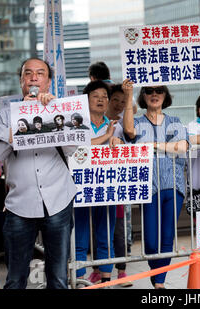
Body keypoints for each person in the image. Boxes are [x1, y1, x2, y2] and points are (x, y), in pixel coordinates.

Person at [0, 57, 76, 289]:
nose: (34, 78)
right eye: (28, 74)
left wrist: (54, 112)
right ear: (21, 81)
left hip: (58, 200)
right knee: (15, 278)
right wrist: (20, 120)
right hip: (20, 205)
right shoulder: (6, 115)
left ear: (48, 82)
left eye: (40, 74)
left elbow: (72, 147)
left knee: (58, 277)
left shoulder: (59, 108)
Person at [123, 84, 189, 289]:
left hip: (173, 184)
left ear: (165, 95)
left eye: (159, 91)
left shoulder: (175, 122)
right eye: (149, 91)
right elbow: (128, 131)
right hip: (147, 185)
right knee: (151, 241)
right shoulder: (137, 122)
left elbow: (182, 147)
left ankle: (160, 281)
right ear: (143, 96)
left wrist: (152, 146)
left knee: (167, 236)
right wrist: (127, 96)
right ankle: (156, 270)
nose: (154, 95)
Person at [74, 80, 124, 284]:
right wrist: (106, 137)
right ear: (86, 100)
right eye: (96, 96)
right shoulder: (76, 124)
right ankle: (78, 279)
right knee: (80, 237)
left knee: (106, 235)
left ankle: (105, 279)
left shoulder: (115, 126)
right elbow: (77, 147)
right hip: (81, 187)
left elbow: (123, 150)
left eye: (105, 96)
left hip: (106, 187)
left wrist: (116, 140)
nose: (101, 100)